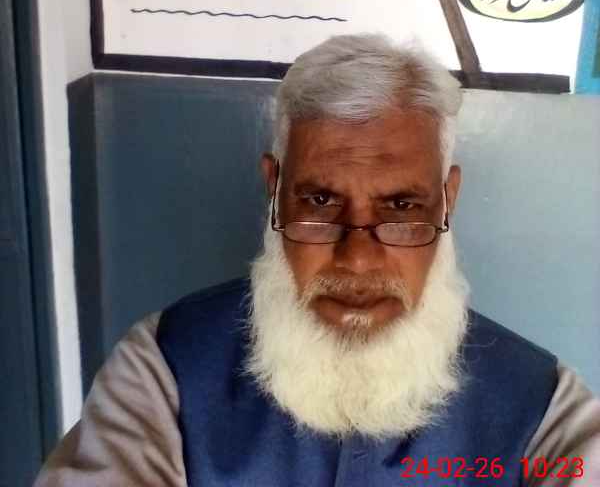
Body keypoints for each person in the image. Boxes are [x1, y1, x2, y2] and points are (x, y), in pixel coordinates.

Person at [36, 34, 600, 486]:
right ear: (274, 191)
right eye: (321, 202)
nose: (358, 259)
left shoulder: (543, 407)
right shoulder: (166, 369)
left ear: (447, 201)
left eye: (402, 206)